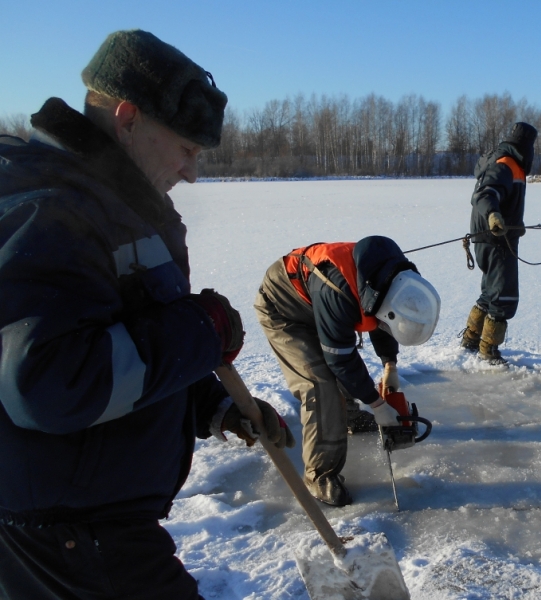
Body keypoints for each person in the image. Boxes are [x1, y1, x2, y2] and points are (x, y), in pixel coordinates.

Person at [0, 30, 293, 600]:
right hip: (68, 532)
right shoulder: (51, 209)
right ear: (129, 117)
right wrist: (199, 331)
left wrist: (212, 407)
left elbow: (123, 340)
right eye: (185, 149)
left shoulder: (111, 203)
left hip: (86, 519)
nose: (192, 174)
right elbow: (49, 383)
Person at [254, 236, 441, 506]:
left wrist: (390, 363)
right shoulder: (339, 291)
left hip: (318, 302)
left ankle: (348, 417)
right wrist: (377, 404)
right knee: (320, 384)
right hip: (284, 310)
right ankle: (320, 475)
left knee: (339, 359)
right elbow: (340, 360)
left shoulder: (394, 280)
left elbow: (381, 320)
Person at [459, 122, 538, 365]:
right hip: (496, 240)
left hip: (491, 238)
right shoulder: (507, 164)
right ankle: (488, 349)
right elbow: (484, 195)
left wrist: (514, 222)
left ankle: (471, 338)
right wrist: (494, 216)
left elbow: (501, 197)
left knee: (491, 291)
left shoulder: (504, 161)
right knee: (504, 296)